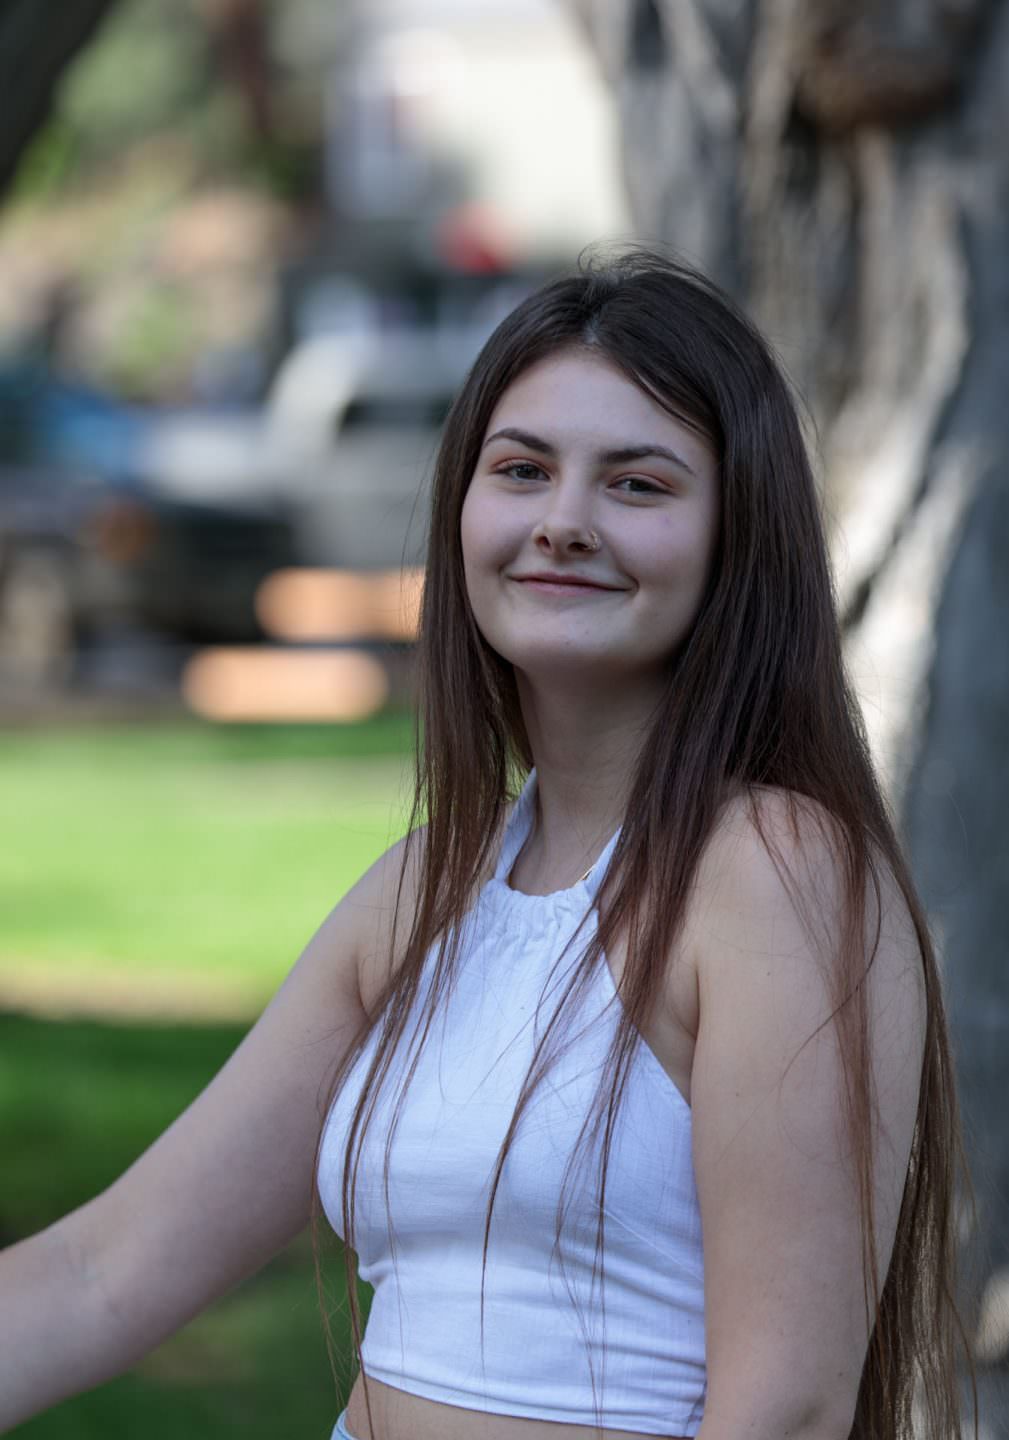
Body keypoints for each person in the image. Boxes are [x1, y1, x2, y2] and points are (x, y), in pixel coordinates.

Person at [1, 249, 973, 1440]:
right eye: (521, 471)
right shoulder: (423, 893)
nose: (563, 521)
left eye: (638, 485)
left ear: (738, 541)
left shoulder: (769, 872)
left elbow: (788, 1408)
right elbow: (107, 1268)